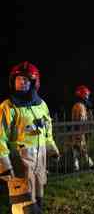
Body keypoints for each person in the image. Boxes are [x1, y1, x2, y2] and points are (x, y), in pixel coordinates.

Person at [0, 61, 60, 213]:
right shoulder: (7, 107)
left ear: (34, 82)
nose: (21, 82)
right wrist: (4, 166)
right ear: (12, 82)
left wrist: (51, 148)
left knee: (38, 203)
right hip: (19, 169)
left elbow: (47, 131)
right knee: (24, 208)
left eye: (25, 79)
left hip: (39, 168)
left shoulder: (41, 105)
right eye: (18, 79)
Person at [70, 85, 94, 171]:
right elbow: (82, 120)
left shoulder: (78, 105)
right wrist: (85, 130)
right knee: (81, 148)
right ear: (83, 95)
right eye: (86, 95)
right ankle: (89, 163)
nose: (87, 97)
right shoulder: (80, 106)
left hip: (77, 130)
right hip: (79, 131)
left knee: (76, 148)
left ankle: (76, 165)